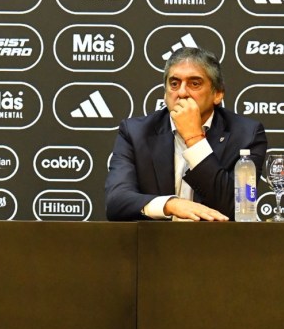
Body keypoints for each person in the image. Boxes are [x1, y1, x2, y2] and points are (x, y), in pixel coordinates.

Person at [105, 47, 267, 221]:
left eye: (194, 83)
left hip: (218, 244)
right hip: (153, 244)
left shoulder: (246, 135)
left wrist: (195, 138)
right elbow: (116, 201)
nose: (181, 92)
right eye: (174, 83)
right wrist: (171, 204)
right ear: (165, 92)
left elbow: (235, 208)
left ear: (217, 94)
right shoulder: (135, 132)